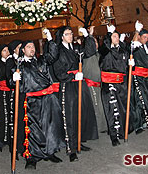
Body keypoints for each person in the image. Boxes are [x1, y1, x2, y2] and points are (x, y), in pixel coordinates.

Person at [8, 39, 64, 169]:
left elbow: (53, 55)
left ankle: (50, 152)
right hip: (32, 101)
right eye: (28, 47)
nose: (32, 49)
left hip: (48, 99)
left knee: (50, 127)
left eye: (33, 46)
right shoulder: (18, 65)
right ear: (23, 50)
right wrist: (13, 79)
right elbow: (14, 84)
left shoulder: (42, 61)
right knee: (33, 130)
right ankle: (32, 157)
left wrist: (51, 41)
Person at [47, 26, 98, 162]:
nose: (70, 36)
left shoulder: (75, 48)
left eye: (71, 33)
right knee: (69, 116)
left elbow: (90, 51)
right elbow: (58, 71)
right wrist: (72, 78)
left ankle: (79, 140)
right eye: (67, 34)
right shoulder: (58, 51)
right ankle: (71, 148)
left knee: (81, 112)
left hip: (79, 83)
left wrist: (88, 36)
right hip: (68, 85)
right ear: (62, 37)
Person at [98, 24, 132, 146]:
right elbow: (104, 49)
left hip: (121, 84)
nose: (116, 38)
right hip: (109, 84)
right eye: (113, 36)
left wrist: (130, 63)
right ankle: (114, 136)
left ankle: (122, 132)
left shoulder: (122, 50)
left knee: (122, 108)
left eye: (117, 36)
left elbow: (126, 63)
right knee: (111, 110)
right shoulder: (105, 50)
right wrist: (108, 34)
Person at [81, 26, 107, 134]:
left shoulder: (98, 54)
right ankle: (98, 127)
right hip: (91, 85)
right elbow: (89, 48)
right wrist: (89, 36)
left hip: (99, 84)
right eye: (93, 42)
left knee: (101, 106)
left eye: (96, 42)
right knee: (96, 106)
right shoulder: (87, 55)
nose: (95, 44)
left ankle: (103, 125)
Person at [0, 44, 13, 152]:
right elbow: (2, 75)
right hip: (3, 92)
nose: (7, 52)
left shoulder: (12, 61)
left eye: (8, 50)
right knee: (2, 116)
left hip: (12, 92)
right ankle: (0, 141)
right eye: (4, 50)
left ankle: (12, 140)